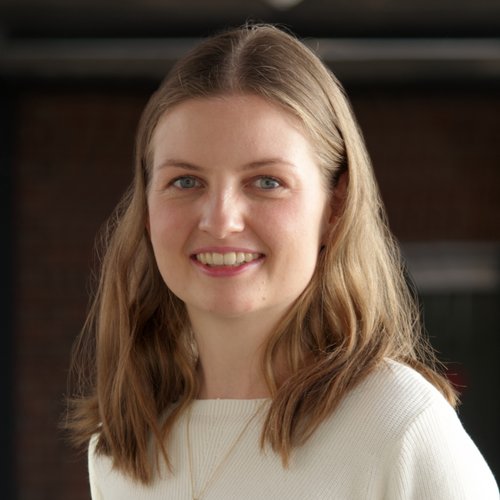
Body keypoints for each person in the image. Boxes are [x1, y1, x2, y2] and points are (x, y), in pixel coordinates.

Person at [66, 23, 499, 499]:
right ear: (147, 208)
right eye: (185, 181)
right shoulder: (118, 447)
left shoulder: (399, 427)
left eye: (266, 182)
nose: (221, 221)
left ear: (335, 207)